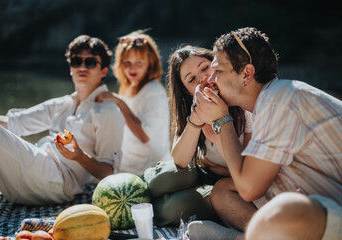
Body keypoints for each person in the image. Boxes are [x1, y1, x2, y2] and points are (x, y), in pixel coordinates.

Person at [188, 27, 342, 240]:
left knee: (289, 206)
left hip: (332, 210)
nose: (211, 79)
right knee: (223, 191)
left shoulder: (278, 101)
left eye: (219, 71)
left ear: (246, 74)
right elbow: (246, 178)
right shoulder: (267, 102)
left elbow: (249, 189)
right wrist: (219, 128)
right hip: (326, 203)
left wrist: (224, 120)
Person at [0, 35, 124, 205]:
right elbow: (15, 123)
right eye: (76, 61)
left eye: (91, 62)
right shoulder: (62, 104)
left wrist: (80, 157)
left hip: (59, 181)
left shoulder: (108, 111)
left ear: (104, 71)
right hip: (38, 166)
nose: (82, 67)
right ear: (70, 67)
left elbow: (108, 172)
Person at [143, 45, 256, 228]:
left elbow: (248, 171)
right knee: (159, 181)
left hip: (232, 180)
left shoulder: (244, 105)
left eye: (205, 68)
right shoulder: (192, 107)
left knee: (169, 210)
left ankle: (210, 208)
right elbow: (180, 160)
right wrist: (195, 120)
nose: (202, 78)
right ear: (188, 91)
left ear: (217, 64)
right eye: (191, 79)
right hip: (202, 171)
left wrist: (216, 139)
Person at [95, 30, 171, 176]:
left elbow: (144, 136)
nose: (132, 68)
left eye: (139, 62)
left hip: (149, 171)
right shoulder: (130, 88)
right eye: (127, 63)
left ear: (151, 63)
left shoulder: (153, 90)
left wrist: (118, 101)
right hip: (129, 167)